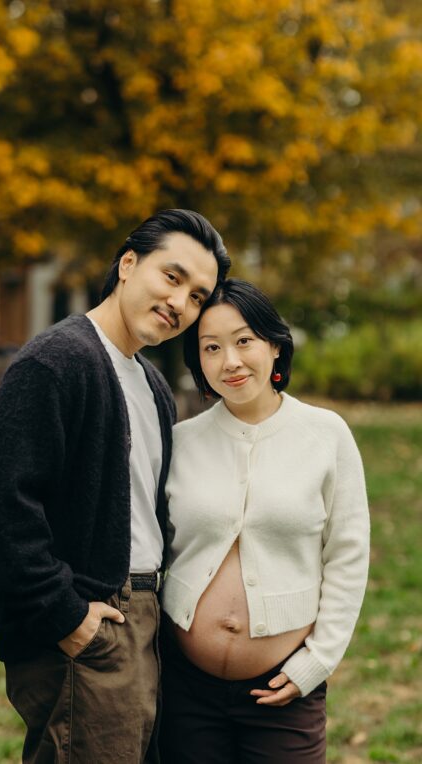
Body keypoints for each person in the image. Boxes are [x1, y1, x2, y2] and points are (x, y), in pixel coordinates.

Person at [0, 209, 230, 763]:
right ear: (128, 264)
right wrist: (64, 615)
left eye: (197, 297)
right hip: (90, 622)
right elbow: (2, 505)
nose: (180, 302)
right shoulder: (56, 361)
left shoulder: (152, 385)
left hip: (146, 619)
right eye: (172, 277)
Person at [160, 279, 370, 762]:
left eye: (244, 341)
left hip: (284, 690)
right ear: (198, 361)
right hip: (184, 686)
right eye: (211, 348)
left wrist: (316, 663)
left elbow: (348, 554)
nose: (230, 361)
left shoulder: (326, 435)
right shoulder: (181, 441)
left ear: (275, 345)